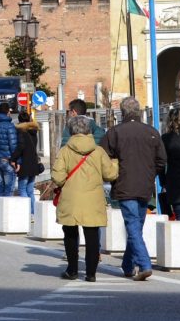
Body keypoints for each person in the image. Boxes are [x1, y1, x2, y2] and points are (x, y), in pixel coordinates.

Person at [101, 95, 167, 281]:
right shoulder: (151, 132)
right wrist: (150, 174)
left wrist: (113, 174)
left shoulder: (115, 132)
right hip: (145, 185)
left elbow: (102, 158)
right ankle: (128, 265)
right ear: (138, 112)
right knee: (136, 225)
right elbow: (162, 160)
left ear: (122, 112)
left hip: (124, 185)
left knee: (133, 226)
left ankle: (144, 264)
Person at [53, 114, 119, 281]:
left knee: (70, 235)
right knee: (92, 236)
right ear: (89, 130)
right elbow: (110, 174)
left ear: (71, 130)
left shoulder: (65, 151)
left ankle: (72, 270)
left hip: (70, 199)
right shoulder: (98, 151)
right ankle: (91, 273)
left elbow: (58, 177)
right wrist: (116, 163)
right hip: (93, 198)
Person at [11, 110, 40, 215]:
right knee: (30, 190)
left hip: (25, 164)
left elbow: (20, 147)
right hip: (34, 164)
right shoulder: (34, 131)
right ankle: (33, 213)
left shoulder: (21, 132)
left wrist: (13, 159)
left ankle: (27, 214)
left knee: (22, 189)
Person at [0, 105, 18, 197]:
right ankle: (7, 210)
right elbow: (13, 145)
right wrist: (15, 161)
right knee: (9, 188)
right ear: (7, 112)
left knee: (0, 186)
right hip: (7, 159)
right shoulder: (10, 126)